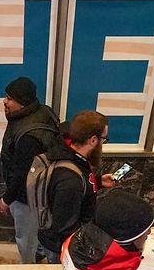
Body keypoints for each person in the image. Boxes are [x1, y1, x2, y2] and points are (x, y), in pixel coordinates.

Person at [0, 76, 60, 264]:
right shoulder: (43, 111)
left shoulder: (27, 136)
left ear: (22, 103)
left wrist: (7, 199)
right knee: (39, 231)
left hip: (26, 199)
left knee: (25, 239)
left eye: (9, 98)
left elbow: (21, 173)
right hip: (43, 193)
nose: (5, 101)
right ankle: (39, 255)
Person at [37, 110, 110, 262]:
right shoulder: (70, 180)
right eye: (104, 139)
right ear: (93, 140)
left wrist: (97, 181)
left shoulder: (71, 155)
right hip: (61, 248)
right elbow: (65, 227)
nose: (103, 144)